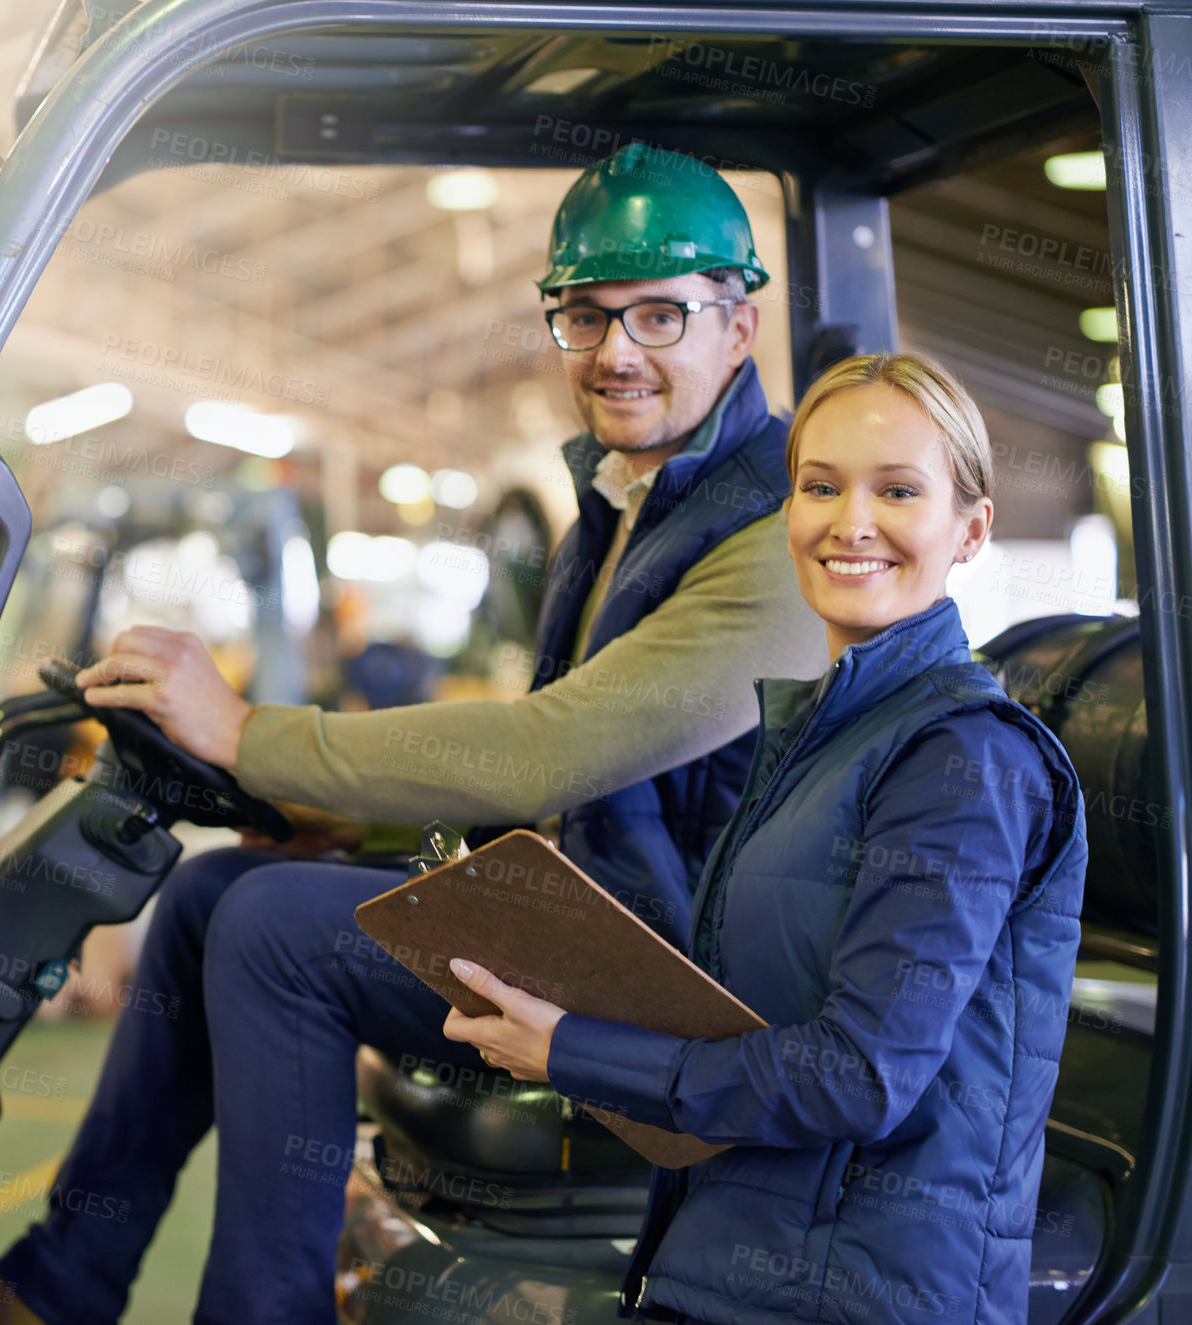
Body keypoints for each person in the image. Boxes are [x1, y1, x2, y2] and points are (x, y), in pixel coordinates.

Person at [0, 143, 828, 1324]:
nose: (615, 352)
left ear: (737, 327)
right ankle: (54, 1286)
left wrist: (249, 731)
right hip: (606, 911)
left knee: (280, 931)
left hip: (688, 982)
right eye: (583, 318)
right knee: (210, 896)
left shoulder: (771, 543)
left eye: (658, 315)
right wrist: (311, 806)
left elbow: (547, 752)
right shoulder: (630, 501)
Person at [444, 351, 1088, 1325]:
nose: (849, 521)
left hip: (858, 1292)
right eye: (818, 486)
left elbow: (859, 1074)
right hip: (741, 1263)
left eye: (898, 489)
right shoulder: (819, 734)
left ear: (971, 528)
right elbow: (751, 1011)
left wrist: (576, 1050)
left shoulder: (961, 762)